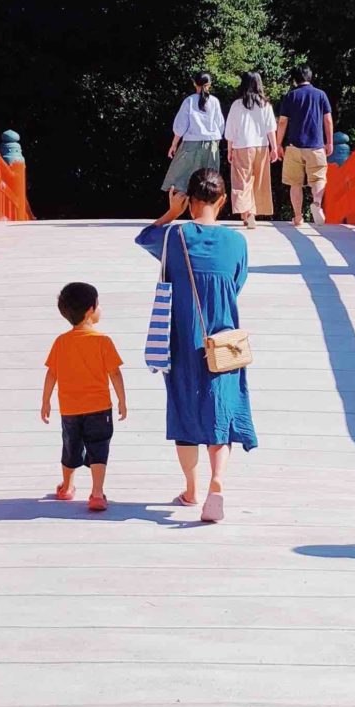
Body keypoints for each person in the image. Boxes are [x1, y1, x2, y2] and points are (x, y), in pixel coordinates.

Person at [137, 168, 257, 522]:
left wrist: (170, 214)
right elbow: (237, 282)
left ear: (189, 200)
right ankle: (216, 482)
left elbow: (145, 238)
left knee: (186, 409)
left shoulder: (174, 238)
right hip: (222, 338)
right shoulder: (238, 242)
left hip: (182, 336)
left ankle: (190, 488)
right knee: (220, 409)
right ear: (222, 201)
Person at [40, 281, 128, 512]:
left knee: (70, 446)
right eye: (98, 304)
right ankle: (97, 493)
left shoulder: (61, 342)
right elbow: (115, 373)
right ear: (90, 310)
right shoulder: (102, 341)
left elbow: (52, 374)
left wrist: (46, 401)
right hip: (99, 408)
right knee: (99, 447)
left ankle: (67, 486)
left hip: (70, 409)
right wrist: (122, 400)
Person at [159, 72, 226, 223]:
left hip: (191, 144)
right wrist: (216, 142)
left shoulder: (189, 101)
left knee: (180, 178)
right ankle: (209, 215)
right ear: (209, 85)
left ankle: (176, 212)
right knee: (209, 181)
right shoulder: (214, 101)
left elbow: (180, 126)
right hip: (211, 145)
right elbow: (220, 125)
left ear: (194, 84)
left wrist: (174, 144)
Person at [274, 66, 335, 225]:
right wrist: (329, 142)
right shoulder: (321, 95)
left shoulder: (291, 95)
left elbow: (282, 121)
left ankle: (298, 216)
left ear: (295, 79)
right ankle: (316, 203)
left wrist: (278, 144)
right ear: (310, 77)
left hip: (294, 145)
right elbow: (327, 120)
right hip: (316, 145)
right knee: (318, 178)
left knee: (295, 183)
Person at [222, 72, 279, 229]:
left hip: (242, 146)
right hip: (261, 146)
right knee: (259, 180)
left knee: (242, 181)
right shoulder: (265, 105)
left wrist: (229, 149)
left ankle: (247, 212)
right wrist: (274, 148)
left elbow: (230, 131)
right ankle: (251, 214)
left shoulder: (237, 105)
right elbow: (270, 129)